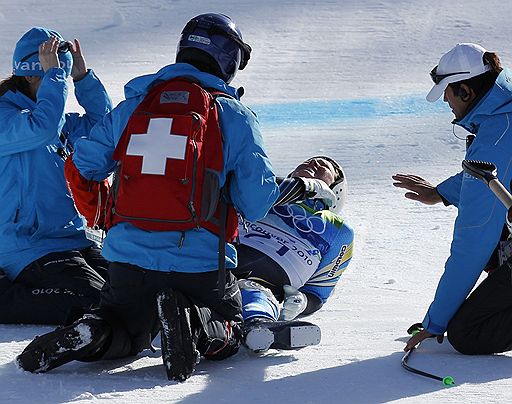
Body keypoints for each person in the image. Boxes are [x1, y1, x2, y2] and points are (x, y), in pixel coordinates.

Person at [17, 13, 281, 382]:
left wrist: (103, 212)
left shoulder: (135, 107)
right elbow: (255, 201)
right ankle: (197, 321)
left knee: (123, 327)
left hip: (127, 261)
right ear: (231, 61)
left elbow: (83, 164)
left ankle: (94, 332)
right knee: (229, 325)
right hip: (200, 265)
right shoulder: (232, 113)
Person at [393, 43, 512, 355]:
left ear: (465, 91)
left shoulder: (494, 140)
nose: (445, 100)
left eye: (447, 91)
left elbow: (473, 241)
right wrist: (441, 193)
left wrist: (436, 322)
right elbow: (495, 179)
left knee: (468, 331)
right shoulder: (504, 115)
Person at [0, 27, 112, 325]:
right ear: (30, 76)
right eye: (50, 74)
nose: (56, 81)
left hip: (71, 238)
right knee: (94, 301)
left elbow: (105, 129)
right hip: (26, 246)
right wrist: (57, 78)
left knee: (130, 290)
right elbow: (42, 129)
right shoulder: (5, 117)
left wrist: (83, 79)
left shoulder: (51, 116)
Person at [234, 156, 354, 352]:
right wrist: (299, 186)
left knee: (257, 294)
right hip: (224, 258)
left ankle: (260, 327)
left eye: (326, 166)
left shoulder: (340, 231)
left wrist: (302, 303)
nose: (314, 163)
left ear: (337, 189)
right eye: (309, 160)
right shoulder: (269, 191)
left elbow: (318, 293)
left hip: (267, 284)